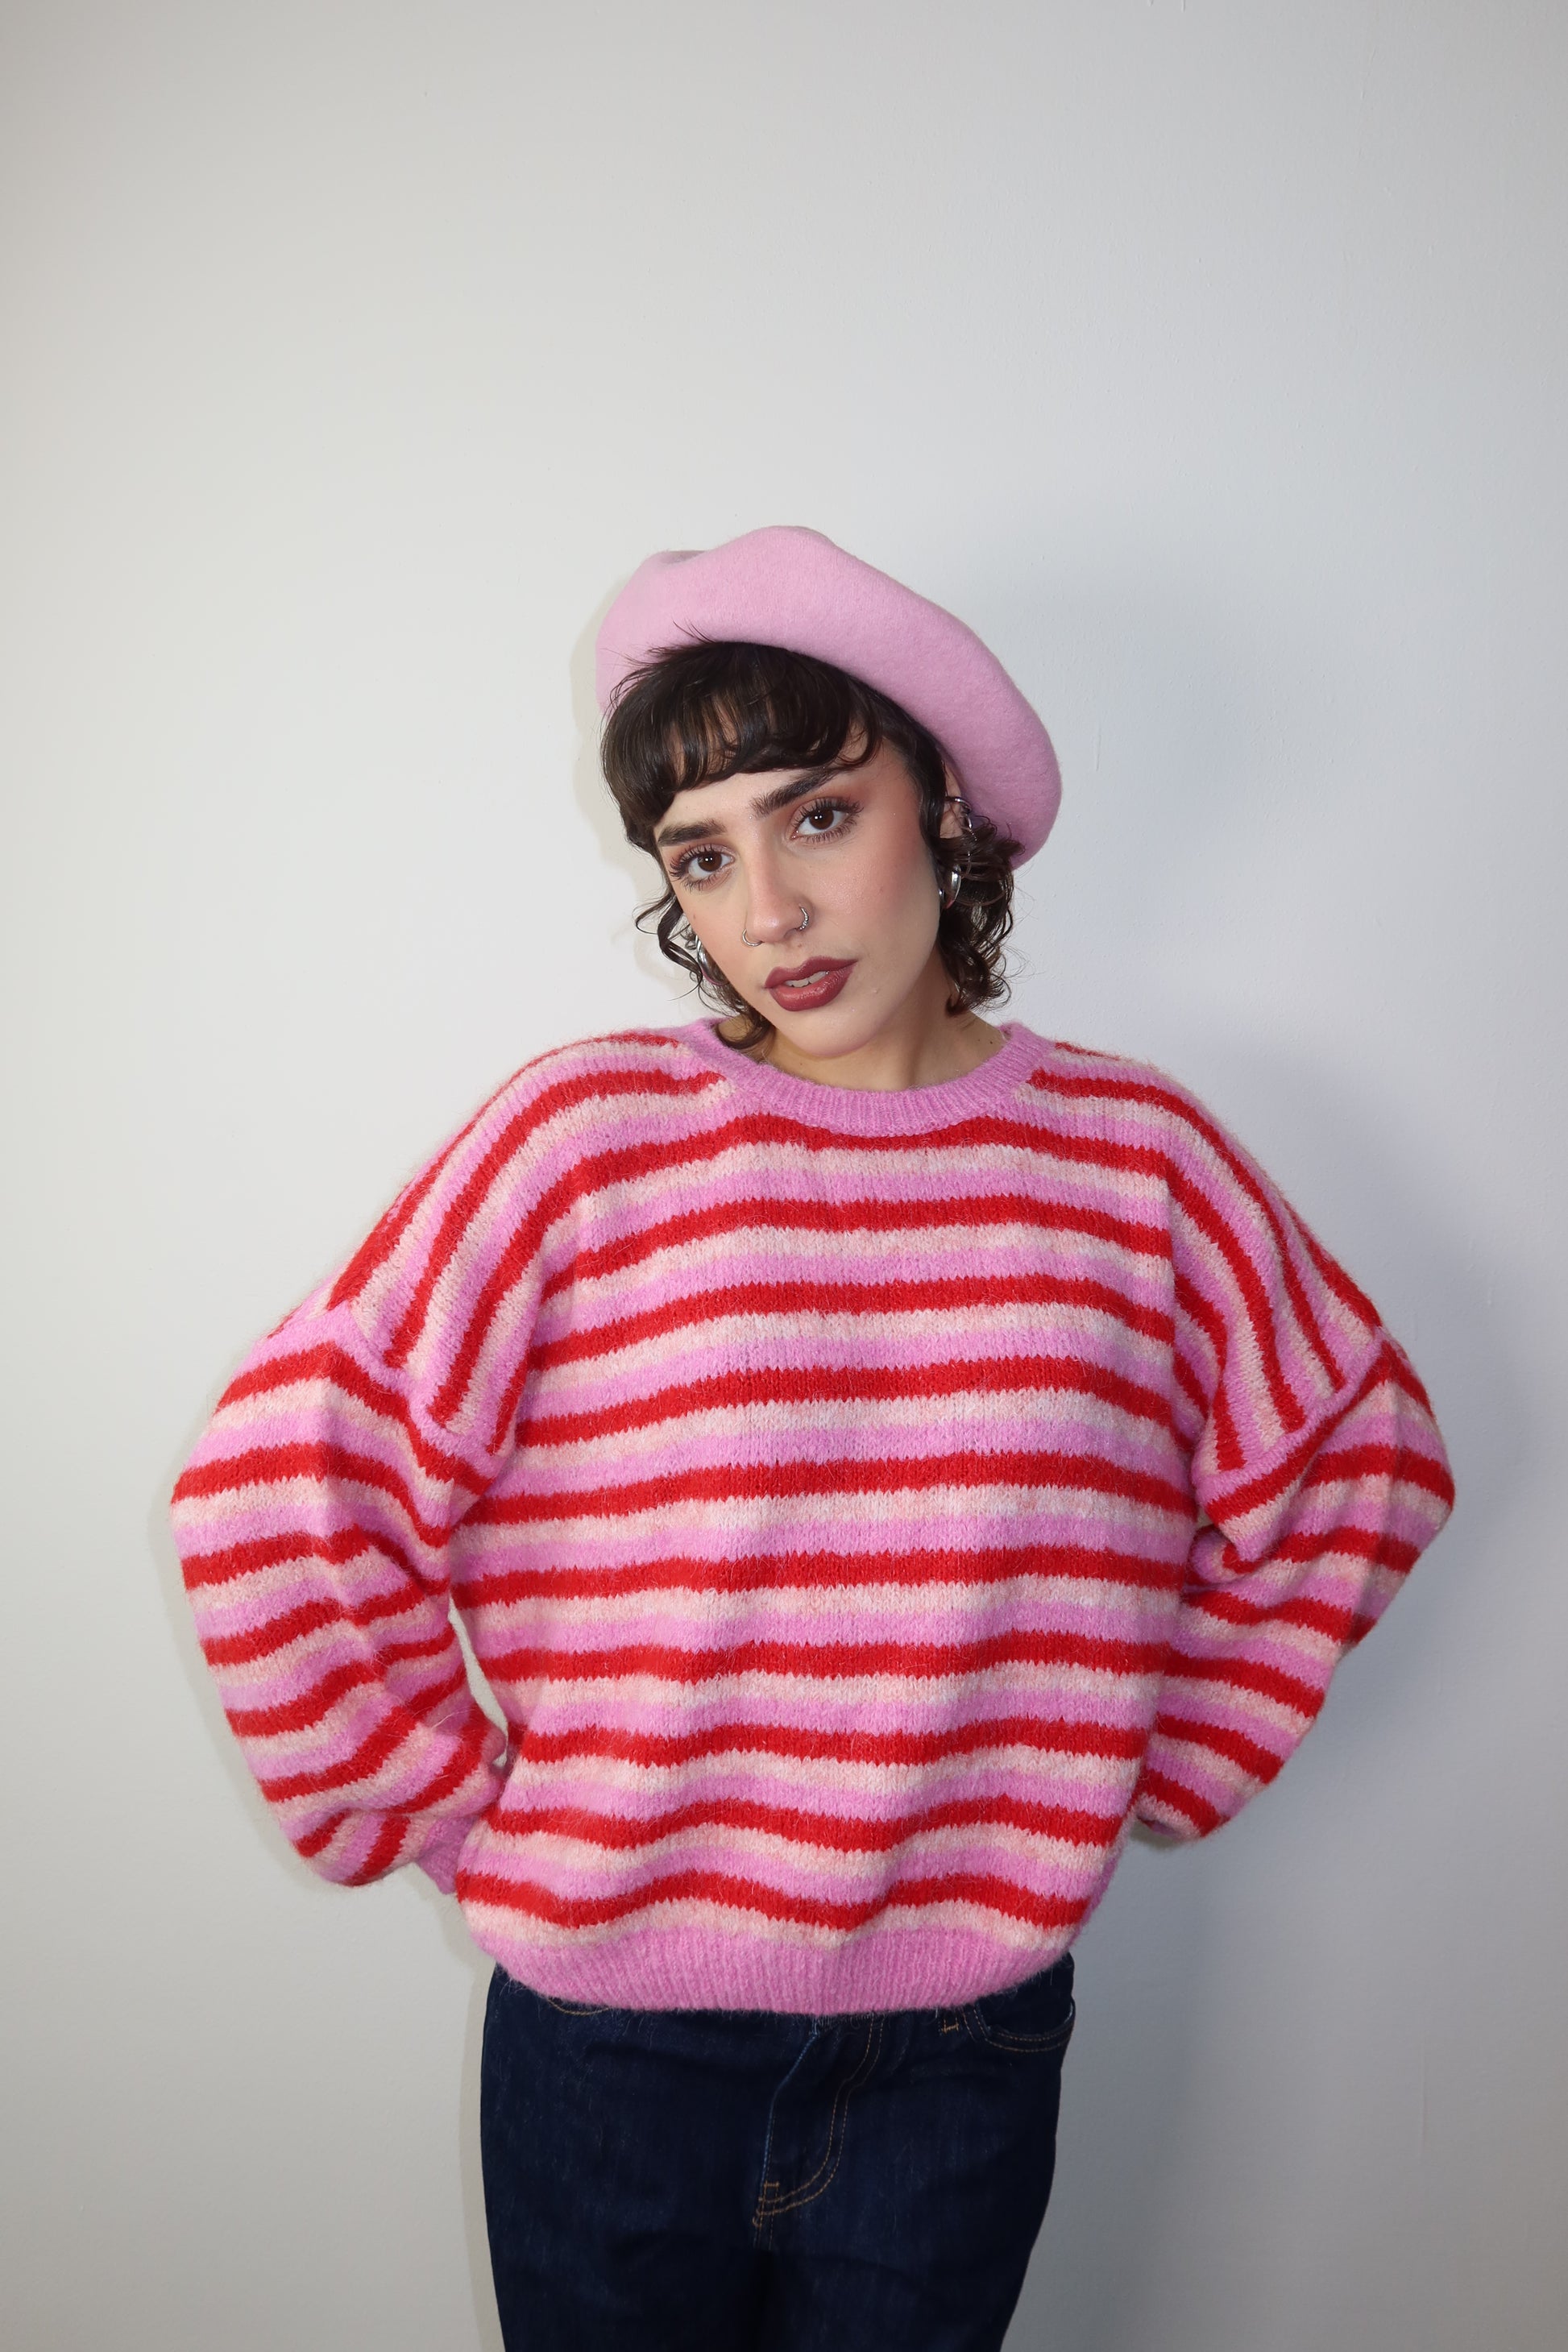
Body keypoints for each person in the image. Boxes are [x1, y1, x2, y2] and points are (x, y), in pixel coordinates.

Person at [170, 526, 1454, 2351]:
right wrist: (439, 1809)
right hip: (613, 2046)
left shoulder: (1137, 1162)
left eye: (819, 816)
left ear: (944, 808)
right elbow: (275, 1486)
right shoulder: (583, 1145)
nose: (766, 908)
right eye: (702, 855)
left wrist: (1174, 1753)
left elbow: (1358, 1455)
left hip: (964, 2048)